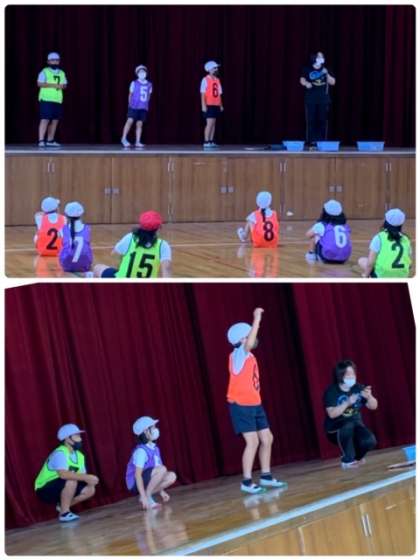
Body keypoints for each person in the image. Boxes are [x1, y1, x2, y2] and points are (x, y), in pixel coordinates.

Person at [227, 308, 287, 494]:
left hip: (255, 404)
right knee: (252, 442)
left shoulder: (250, 355)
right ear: (242, 340)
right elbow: (248, 343)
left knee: (267, 438)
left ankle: (266, 476)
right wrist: (257, 319)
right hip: (241, 405)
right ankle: (246, 481)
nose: (254, 337)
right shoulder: (238, 354)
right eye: (249, 335)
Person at [34, 424, 99, 522]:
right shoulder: (60, 453)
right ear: (68, 439)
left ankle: (62, 507)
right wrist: (87, 477)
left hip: (63, 485)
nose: (80, 439)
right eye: (77, 436)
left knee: (90, 489)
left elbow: (82, 475)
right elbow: (63, 474)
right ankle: (64, 513)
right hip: (44, 489)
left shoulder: (80, 456)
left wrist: (90, 481)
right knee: (71, 479)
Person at [323, 360, 378, 469]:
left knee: (370, 441)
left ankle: (356, 458)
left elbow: (373, 406)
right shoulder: (331, 391)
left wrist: (369, 397)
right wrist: (347, 403)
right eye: (348, 374)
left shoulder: (358, 387)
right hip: (336, 429)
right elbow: (332, 414)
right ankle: (347, 461)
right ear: (340, 375)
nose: (351, 377)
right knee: (348, 425)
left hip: (356, 425)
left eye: (353, 374)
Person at [93, 211, 172, 278]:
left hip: (122, 281)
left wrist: (121, 266)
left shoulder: (130, 237)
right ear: (159, 228)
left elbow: (114, 254)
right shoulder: (163, 245)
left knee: (97, 268)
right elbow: (167, 268)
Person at [126, 416, 177, 510]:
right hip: (135, 483)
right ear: (145, 432)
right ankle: (146, 497)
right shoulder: (141, 451)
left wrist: (162, 492)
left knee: (171, 476)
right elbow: (137, 475)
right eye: (153, 428)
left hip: (148, 477)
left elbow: (159, 473)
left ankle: (147, 495)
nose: (156, 430)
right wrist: (143, 495)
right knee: (162, 469)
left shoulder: (155, 448)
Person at [358, 208, 412, 278]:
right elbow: (410, 263)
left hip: (382, 275)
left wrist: (365, 275)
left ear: (386, 222)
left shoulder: (379, 237)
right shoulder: (406, 239)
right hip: (402, 276)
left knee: (361, 260)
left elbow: (370, 263)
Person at [300, 51, 335, 148]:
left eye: (322, 57)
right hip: (310, 98)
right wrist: (306, 83)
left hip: (323, 99)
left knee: (322, 120)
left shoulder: (327, 69)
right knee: (310, 120)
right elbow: (302, 79)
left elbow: (333, 82)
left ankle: (322, 141)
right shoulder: (307, 69)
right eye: (319, 57)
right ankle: (310, 141)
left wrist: (326, 74)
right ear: (314, 58)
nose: (321, 58)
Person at [37, 52, 68, 148]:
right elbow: (39, 83)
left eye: (56, 60)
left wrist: (63, 86)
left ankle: (50, 140)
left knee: (55, 120)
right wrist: (54, 85)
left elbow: (65, 85)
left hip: (57, 100)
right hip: (46, 99)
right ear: (48, 61)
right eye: (52, 60)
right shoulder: (44, 71)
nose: (55, 62)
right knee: (45, 119)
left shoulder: (62, 73)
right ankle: (41, 140)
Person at [121, 65, 153, 149]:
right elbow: (130, 94)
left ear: (146, 73)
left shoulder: (149, 84)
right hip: (134, 106)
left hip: (143, 107)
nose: (142, 73)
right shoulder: (134, 83)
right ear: (137, 73)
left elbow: (149, 95)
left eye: (143, 72)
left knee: (139, 124)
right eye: (140, 72)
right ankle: (123, 138)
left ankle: (138, 141)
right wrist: (130, 104)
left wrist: (145, 104)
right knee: (130, 121)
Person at [59, 202, 93, 273]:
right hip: (85, 264)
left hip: (66, 264)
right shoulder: (87, 228)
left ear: (66, 215)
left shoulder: (63, 229)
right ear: (81, 214)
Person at [201, 61, 223, 149]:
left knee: (213, 123)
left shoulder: (217, 80)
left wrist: (220, 105)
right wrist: (203, 105)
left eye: (216, 68)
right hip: (209, 104)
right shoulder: (205, 79)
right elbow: (203, 94)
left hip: (216, 104)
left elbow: (219, 94)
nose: (216, 69)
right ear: (209, 69)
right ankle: (206, 141)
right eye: (214, 68)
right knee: (209, 123)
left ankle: (211, 140)